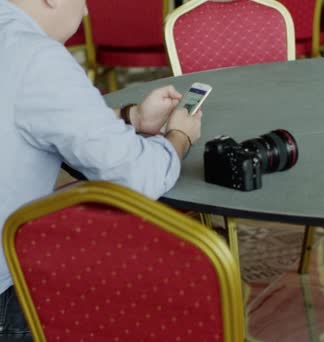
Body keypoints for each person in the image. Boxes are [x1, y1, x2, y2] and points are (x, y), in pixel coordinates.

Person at [0, 0, 203, 339]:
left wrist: (132, 118)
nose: (85, 13)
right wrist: (179, 135)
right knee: (151, 297)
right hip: (5, 296)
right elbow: (138, 177)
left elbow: (30, 114)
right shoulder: (38, 58)